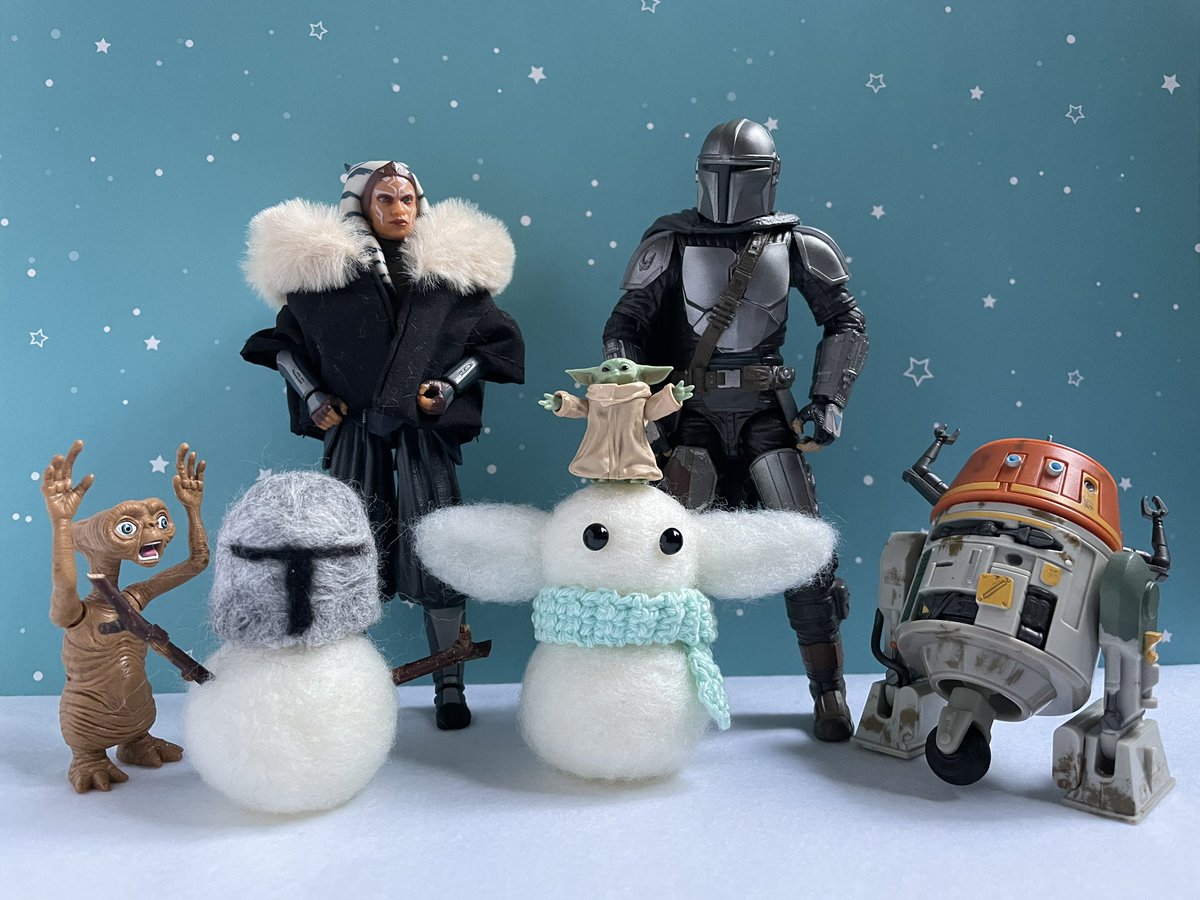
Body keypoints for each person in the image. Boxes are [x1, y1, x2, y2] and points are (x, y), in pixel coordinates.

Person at [602, 119, 868, 741]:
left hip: (764, 414)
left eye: (739, 175)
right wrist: (637, 410)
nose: (728, 188)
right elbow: (623, 330)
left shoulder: (796, 243)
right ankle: (649, 694)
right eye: (719, 175)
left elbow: (845, 322)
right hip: (691, 417)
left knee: (806, 553)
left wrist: (828, 400)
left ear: (768, 178)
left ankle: (828, 691)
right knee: (661, 554)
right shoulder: (671, 242)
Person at [241, 160, 524, 729]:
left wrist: (449, 386)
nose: (399, 209)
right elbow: (284, 346)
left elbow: (492, 344)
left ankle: (449, 683)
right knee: (344, 547)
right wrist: (313, 395)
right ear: (361, 206)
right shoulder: (324, 277)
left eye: (407, 199)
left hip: (422, 433)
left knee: (441, 546)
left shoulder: (448, 276)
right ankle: (341, 684)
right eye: (385, 199)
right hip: (354, 428)